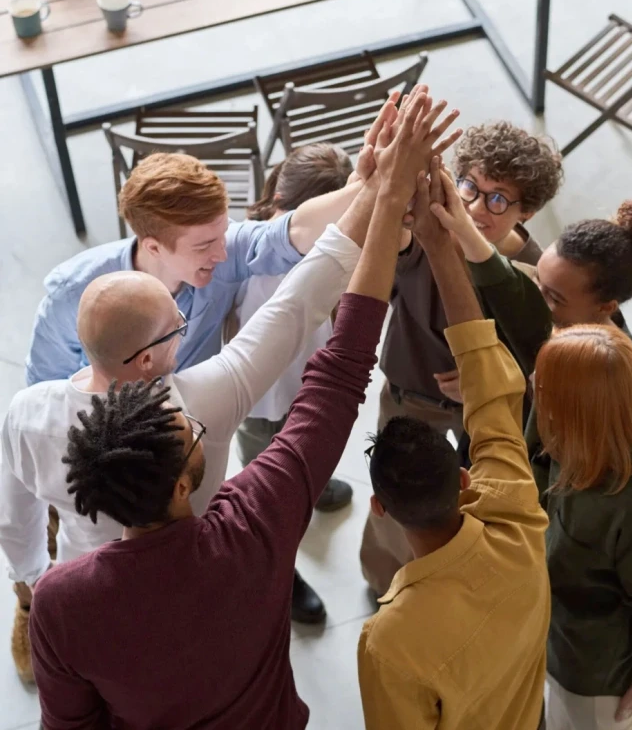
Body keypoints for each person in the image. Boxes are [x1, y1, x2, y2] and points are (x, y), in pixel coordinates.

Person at [27, 90, 461, 730]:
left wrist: (371, 189)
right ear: (184, 480)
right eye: (191, 433)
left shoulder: (63, 597)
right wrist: (389, 196)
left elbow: (68, 723)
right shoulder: (251, 527)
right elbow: (327, 366)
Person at [357, 165, 549, 730]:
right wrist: (438, 243)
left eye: (498, 200)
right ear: (465, 478)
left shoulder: (390, 640)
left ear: (380, 506)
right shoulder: (521, 513)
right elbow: (494, 395)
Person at [361, 122, 563, 595]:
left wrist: (488, 375)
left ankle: (455, 586)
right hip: (410, 400)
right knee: (397, 505)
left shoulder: (531, 271)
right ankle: (385, 583)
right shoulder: (424, 230)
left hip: (485, 416)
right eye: (471, 186)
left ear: (527, 211)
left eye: (498, 199)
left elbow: (537, 348)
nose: (474, 207)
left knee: (476, 503)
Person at [25, 150, 372, 386]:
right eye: (204, 246)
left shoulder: (221, 256)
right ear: (154, 247)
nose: (222, 254)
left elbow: (288, 233)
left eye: (223, 235)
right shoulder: (73, 296)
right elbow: (42, 395)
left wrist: (364, 186)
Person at [430, 179, 632, 480]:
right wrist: (462, 227)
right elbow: (500, 274)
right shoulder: (549, 309)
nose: (534, 294)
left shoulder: (625, 377)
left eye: (554, 296)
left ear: (606, 307)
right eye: (538, 278)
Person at [532, 324, 632, 730]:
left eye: (546, 388)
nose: (535, 387)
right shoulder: (570, 437)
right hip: (557, 635)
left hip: (595, 672)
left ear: (579, 406)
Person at [230, 143, 354, 623]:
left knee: (308, 450)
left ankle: (314, 487)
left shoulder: (319, 245)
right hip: (265, 401)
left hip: (303, 381)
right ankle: (280, 570)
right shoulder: (264, 267)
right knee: (269, 490)